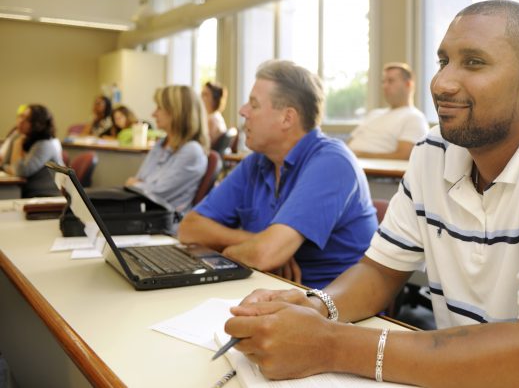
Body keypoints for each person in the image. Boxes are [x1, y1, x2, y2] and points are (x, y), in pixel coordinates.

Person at [220, 1, 519, 387]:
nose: (442, 83)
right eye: (443, 61)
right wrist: (319, 308)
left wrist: (330, 345)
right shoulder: (436, 149)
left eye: (473, 63)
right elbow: (379, 272)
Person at [178, 60, 377, 289]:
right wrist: (252, 241)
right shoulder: (257, 162)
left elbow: (264, 255)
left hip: (329, 308)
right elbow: (189, 228)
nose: (243, 111)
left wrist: (236, 249)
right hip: (268, 290)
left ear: (287, 118)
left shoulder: (333, 162)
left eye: (254, 105)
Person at [125, 85, 208, 214]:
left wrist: (136, 185)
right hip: (145, 216)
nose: (153, 114)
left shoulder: (192, 151)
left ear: (176, 112)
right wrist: (139, 185)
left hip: (165, 225)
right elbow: (139, 183)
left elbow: (154, 194)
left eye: (159, 108)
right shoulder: (161, 144)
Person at [347, 62, 429, 160]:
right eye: (383, 81)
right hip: (350, 163)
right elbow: (350, 142)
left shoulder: (414, 117)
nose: (385, 86)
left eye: (390, 81)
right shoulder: (374, 113)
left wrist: (359, 155)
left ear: (408, 84)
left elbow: (404, 156)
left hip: (375, 172)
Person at [2, 104, 64, 197]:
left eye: (27, 119)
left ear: (38, 123)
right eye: (21, 116)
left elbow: (20, 172)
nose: (20, 121)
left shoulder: (46, 143)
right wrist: (12, 169)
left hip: (46, 196)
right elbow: (4, 164)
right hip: (28, 193)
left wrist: (17, 144)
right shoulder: (19, 136)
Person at [201, 81, 228, 147]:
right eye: (202, 94)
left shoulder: (212, 119)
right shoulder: (217, 116)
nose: (201, 97)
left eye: (205, 94)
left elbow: (206, 145)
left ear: (215, 99)